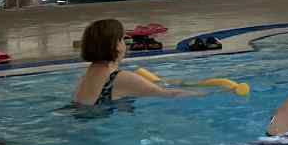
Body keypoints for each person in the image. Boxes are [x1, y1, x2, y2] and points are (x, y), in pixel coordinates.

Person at [71, 18, 202, 108]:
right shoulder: (120, 78)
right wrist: (207, 94)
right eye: (123, 39)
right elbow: (170, 94)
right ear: (116, 45)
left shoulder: (87, 75)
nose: (126, 44)